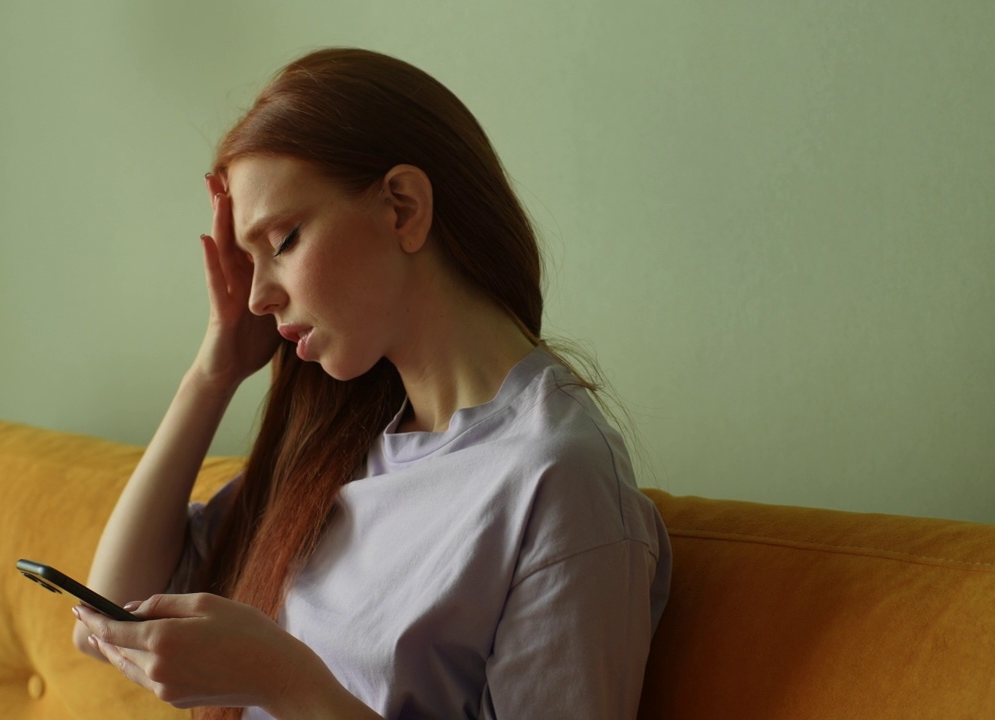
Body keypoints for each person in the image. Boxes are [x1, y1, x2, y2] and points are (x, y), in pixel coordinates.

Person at [71, 47, 672, 720]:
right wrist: (213, 372)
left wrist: (285, 684)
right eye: (249, 258)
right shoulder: (340, 446)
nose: (259, 297)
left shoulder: (557, 479)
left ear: (403, 208)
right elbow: (110, 618)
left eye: (283, 241)